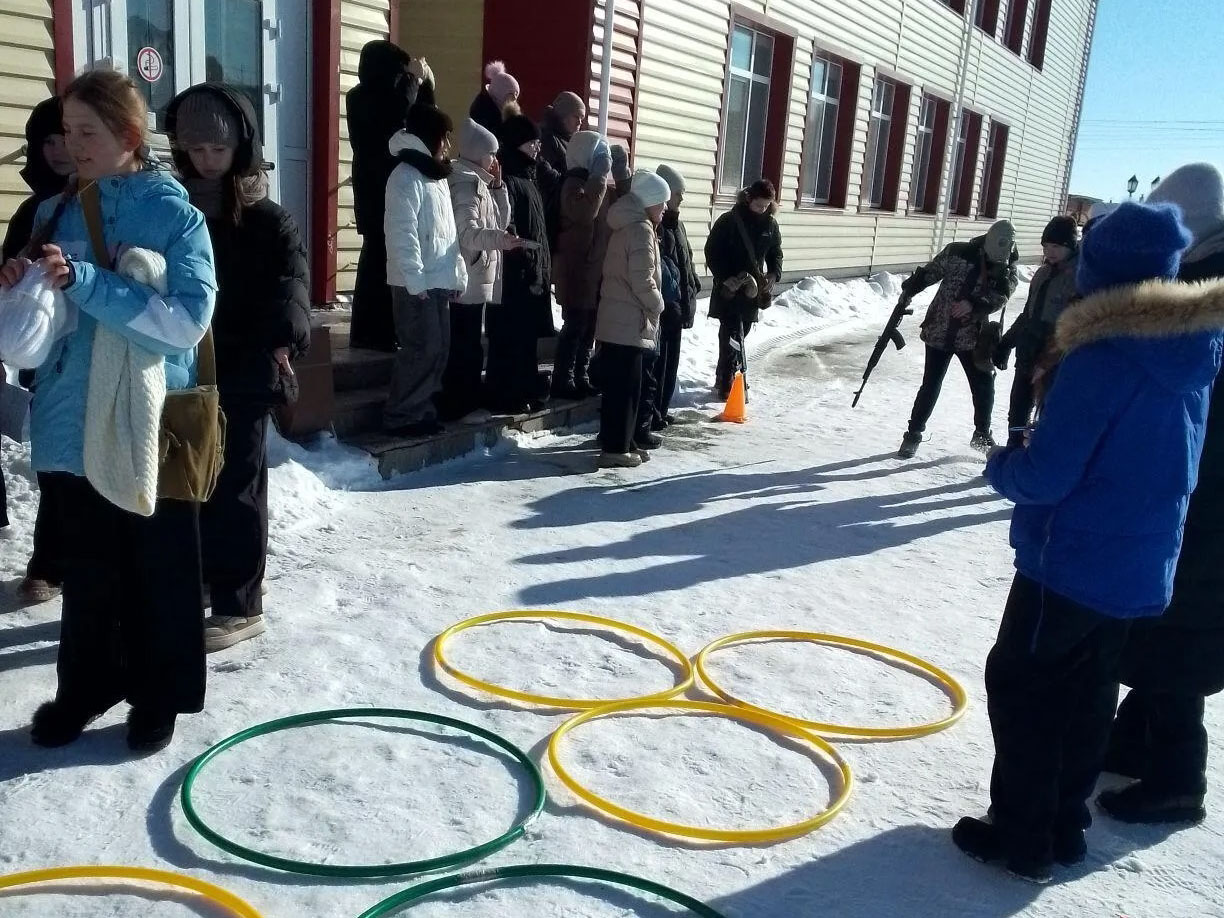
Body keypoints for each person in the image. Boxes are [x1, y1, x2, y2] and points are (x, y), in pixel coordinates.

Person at [954, 201, 1224, 883]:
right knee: (1086, 697)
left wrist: (1004, 462)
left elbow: (1048, 476)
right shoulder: (1191, 348)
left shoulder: (1103, 358)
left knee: (1024, 689)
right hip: (1138, 566)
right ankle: (1063, 829)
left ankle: (1023, 835)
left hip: (1069, 562)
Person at [0, 69, 217, 753]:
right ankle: (86, 687)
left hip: (145, 421)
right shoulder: (50, 211)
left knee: (156, 566)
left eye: (87, 132)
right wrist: (22, 284)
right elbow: (46, 327)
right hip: (68, 415)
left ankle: (159, 696)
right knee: (90, 571)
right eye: (67, 132)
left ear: (128, 136)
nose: (72, 145)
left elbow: (186, 320)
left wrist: (88, 281)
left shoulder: (174, 212)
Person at [165, 84, 310, 653]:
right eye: (194, 149)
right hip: (188, 365)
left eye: (216, 150)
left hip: (248, 367)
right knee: (195, 478)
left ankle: (240, 602)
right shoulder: (175, 211)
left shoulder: (268, 219)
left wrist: (282, 337)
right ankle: (211, 574)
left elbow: (290, 285)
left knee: (239, 484)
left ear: (240, 147)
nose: (205, 160)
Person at [1100, 163, 1224, 826]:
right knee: (1162, 621)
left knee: (1183, 632)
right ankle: (1130, 737)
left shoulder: (1205, 290)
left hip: (1207, 494)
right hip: (1192, 483)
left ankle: (1179, 781)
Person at [2, 97, 75, 605]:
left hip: (98, 344)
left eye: (67, 137)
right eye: (47, 141)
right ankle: (49, 559)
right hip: (46, 352)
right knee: (53, 458)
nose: (58, 150)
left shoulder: (113, 199)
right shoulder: (33, 211)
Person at [896, 220, 1019, 458]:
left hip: (973, 337)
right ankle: (913, 435)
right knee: (930, 385)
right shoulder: (958, 252)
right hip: (939, 329)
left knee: (983, 384)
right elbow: (932, 272)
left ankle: (982, 434)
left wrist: (973, 305)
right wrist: (910, 288)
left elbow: (1002, 294)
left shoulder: (1007, 267)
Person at [383, 104, 467, 438]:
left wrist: (457, 272)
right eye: (443, 137)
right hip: (413, 281)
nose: (447, 145)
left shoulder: (436, 176)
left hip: (438, 278)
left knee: (440, 347)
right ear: (429, 137)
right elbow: (402, 232)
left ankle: (421, 408)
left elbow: (449, 232)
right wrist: (414, 277)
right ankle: (401, 413)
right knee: (421, 348)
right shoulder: (405, 176)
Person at [346, 40, 435, 352]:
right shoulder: (365, 97)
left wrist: (423, 84)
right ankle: (371, 332)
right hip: (377, 188)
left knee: (383, 259)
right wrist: (414, 79)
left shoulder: (375, 95)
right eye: (397, 72)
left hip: (381, 188)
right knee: (377, 262)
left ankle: (378, 329)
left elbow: (419, 117)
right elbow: (396, 116)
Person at [443, 118, 520, 422]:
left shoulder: (482, 183)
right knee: (465, 344)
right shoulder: (465, 184)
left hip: (477, 276)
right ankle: (460, 403)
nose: (495, 161)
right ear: (477, 153)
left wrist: (499, 187)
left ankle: (467, 400)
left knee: (472, 341)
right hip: (468, 276)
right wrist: (502, 241)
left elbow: (499, 220)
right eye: (491, 154)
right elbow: (469, 232)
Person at [594, 171, 669, 469]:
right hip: (628, 320)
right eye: (661, 203)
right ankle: (616, 448)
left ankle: (622, 442)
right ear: (649, 202)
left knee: (620, 387)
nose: (664, 209)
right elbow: (642, 279)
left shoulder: (627, 224)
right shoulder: (640, 229)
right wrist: (658, 305)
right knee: (626, 389)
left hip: (616, 318)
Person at [993, 216, 1080, 447]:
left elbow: (1073, 328)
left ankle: (1041, 459)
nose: (1049, 252)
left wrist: (1046, 362)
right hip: (1028, 353)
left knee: (1049, 414)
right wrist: (1006, 344)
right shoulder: (1042, 274)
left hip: (1056, 361)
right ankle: (1013, 451)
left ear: (1070, 246)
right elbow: (1027, 315)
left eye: (1056, 246)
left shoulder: (1079, 278)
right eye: (1046, 246)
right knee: (1018, 408)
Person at [489, 115, 553, 412]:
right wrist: (525, 256)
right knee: (510, 338)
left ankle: (526, 389)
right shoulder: (509, 180)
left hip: (532, 273)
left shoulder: (530, 177)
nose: (537, 149)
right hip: (514, 275)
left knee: (527, 340)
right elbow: (508, 223)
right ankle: (507, 394)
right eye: (532, 143)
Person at [704, 180, 783, 400]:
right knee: (731, 331)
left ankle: (725, 371)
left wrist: (773, 274)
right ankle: (729, 378)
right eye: (759, 205)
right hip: (730, 286)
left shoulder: (770, 225)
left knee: (743, 331)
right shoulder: (729, 221)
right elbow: (712, 251)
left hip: (753, 289)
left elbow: (776, 252)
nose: (763, 209)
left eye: (767, 205)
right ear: (748, 199)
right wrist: (724, 277)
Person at [552, 130, 613, 399]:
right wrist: (598, 177)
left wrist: (615, 174)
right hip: (576, 268)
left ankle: (581, 374)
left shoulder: (593, 185)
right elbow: (585, 213)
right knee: (575, 325)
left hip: (594, 267)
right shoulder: (573, 184)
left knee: (588, 326)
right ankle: (563, 378)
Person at [645, 163, 700, 432]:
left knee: (671, 364)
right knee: (660, 364)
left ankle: (662, 409)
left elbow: (685, 262)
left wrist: (693, 288)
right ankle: (653, 412)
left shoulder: (678, 226)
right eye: (678, 194)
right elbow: (665, 269)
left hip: (679, 306)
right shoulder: (659, 228)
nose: (680, 200)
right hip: (667, 308)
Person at [539, 91, 585, 178]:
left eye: (581, 118)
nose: (579, 122)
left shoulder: (573, 141)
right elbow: (546, 178)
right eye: (576, 116)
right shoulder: (547, 138)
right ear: (563, 115)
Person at [470, 61, 520, 137]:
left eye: (516, 95)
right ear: (499, 93)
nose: (514, 100)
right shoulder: (484, 116)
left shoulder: (502, 113)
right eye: (511, 95)